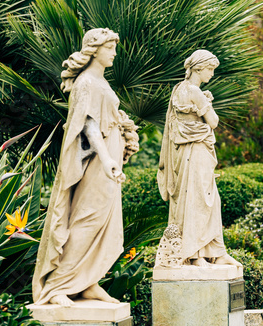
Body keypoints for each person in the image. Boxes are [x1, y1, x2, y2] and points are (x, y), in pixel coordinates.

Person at [32, 28, 138, 307]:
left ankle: (88, 282)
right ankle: (57, 285)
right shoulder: (86, 82)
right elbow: (87, 125)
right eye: (110, 47)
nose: (115, 53)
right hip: (96, 161)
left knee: (102, 219)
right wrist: (106, 159)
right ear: (94, 49)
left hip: (109, 157)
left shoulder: (100, 81)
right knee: (87, 219)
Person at [156, 50, 240, 268]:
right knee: (200, 200)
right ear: (199, 68)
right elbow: (213, 121)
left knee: (203, 199)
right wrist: (208, 104)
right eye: (210, 69)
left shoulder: (179, 90)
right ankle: (195, 254)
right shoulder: (194, 91)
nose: (212, 74)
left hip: (185, 153)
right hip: (196, 151)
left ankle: (214, 252)